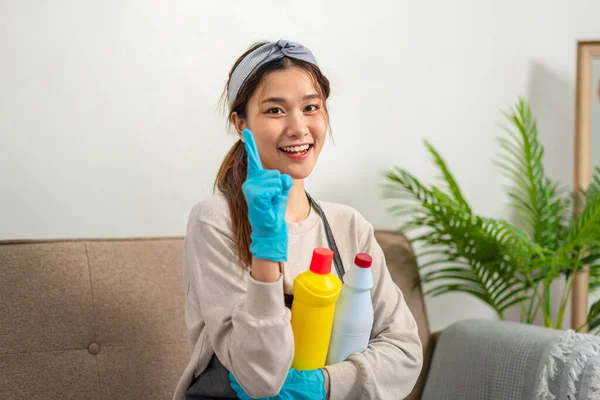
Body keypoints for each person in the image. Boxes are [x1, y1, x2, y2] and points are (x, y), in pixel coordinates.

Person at [173, 39, 423, 400]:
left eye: (311, 107)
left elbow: (404, 351)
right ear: (240, 123)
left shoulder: (348, 226)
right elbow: (260, 379)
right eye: (275, 111)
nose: (298, 127)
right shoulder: (214, 221)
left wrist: (325, 385)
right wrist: (266, 250)